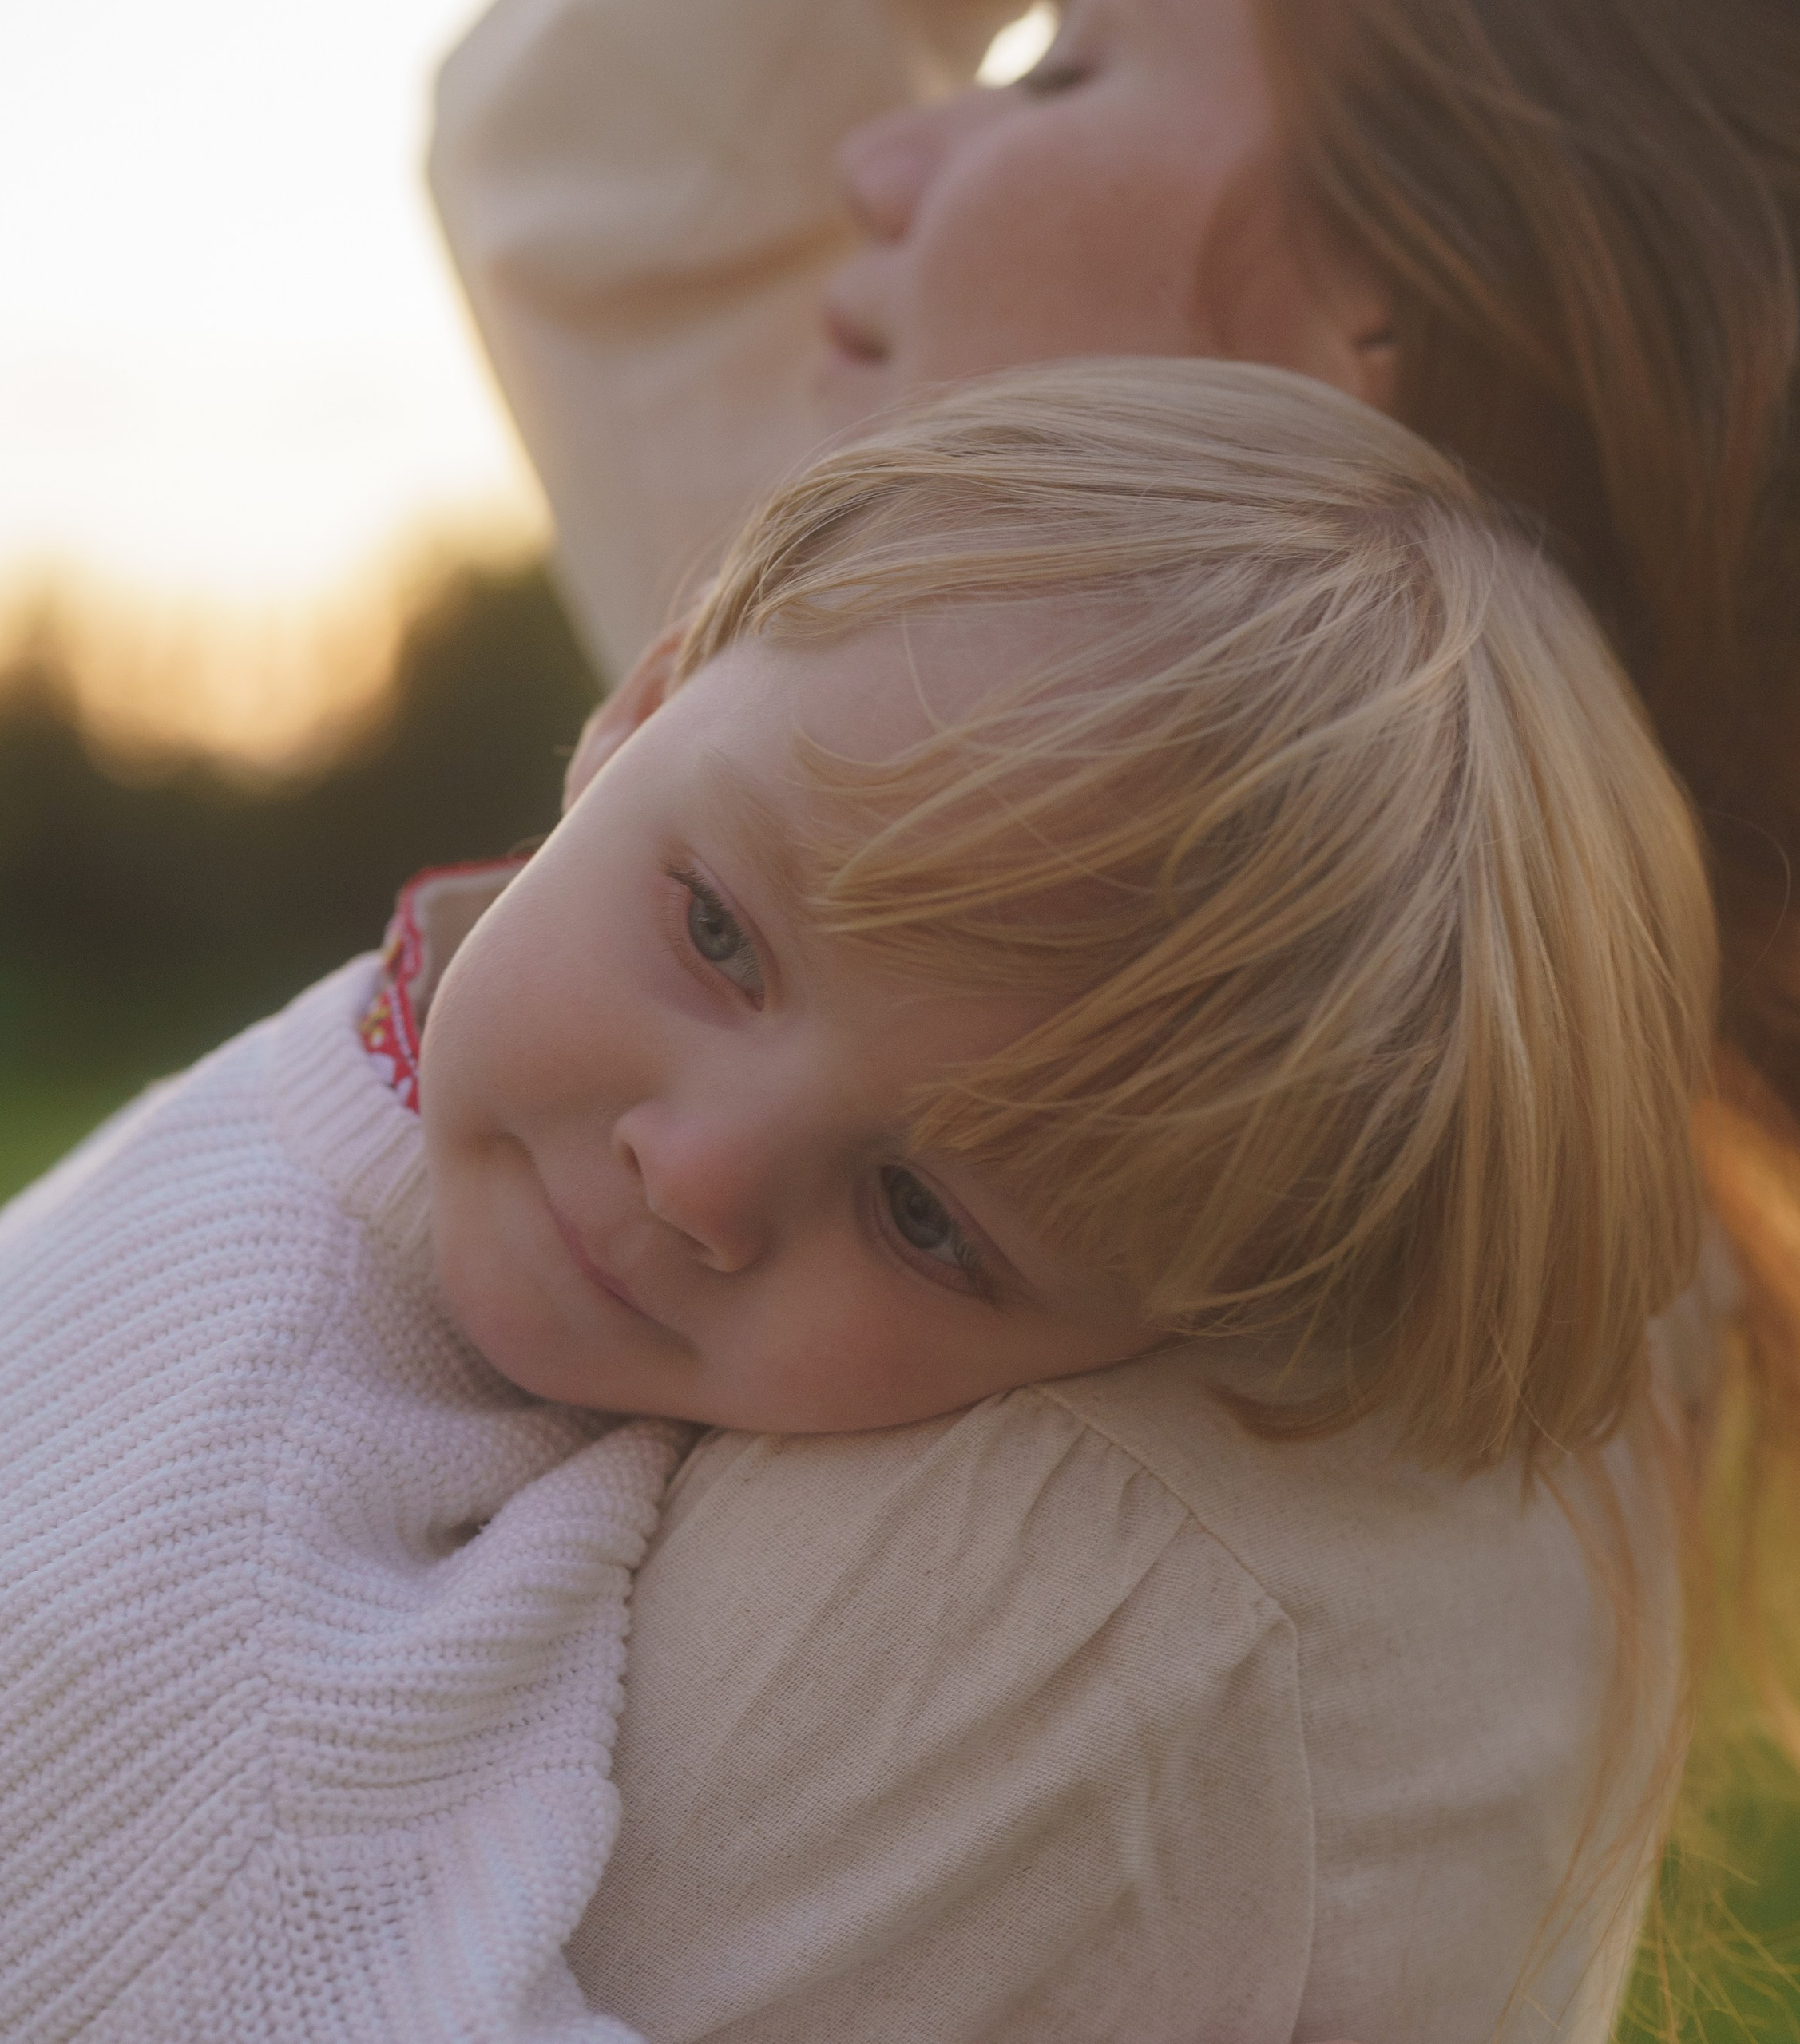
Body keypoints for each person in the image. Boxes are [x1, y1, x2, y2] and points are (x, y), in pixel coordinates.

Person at [0, 361, 1711, 2038]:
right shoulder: (238, 1528)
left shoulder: (360, 1088)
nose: (693, 1177)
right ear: (642, 698)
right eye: (717, 935)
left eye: (927, 1217)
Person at [429, 0, 1800, 2029]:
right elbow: (580, 148)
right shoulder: (1099, 894)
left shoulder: (1139, 1544)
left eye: (1057, 71)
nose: (875, 166)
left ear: (1373, 324)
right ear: (648, 702)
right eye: (719, 929)